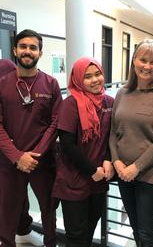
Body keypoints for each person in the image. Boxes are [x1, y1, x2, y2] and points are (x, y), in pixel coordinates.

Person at [0, 29, 62, 247]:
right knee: (6, 214)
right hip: (10, 163)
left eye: (33, 47)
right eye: (23, 46)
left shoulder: (51, 84)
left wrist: (35, 154)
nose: (28, 51)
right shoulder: (2, 84)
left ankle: (51, 243)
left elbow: (56, 123)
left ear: (40, 53)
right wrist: (17, 156)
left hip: (42, 163)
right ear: (15, 50)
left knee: (48, 210)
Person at [52, 57, 115, 247]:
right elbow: (67, 145)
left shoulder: (109, 102)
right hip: (74, 179)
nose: (95, 80)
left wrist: (108, 159)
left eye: (98, 74)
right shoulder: (70, 104)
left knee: (89, 231)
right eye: (87, 77)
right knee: (76, 236)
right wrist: (92, 171)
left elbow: (112, 137)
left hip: (98, 180)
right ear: (78, 79)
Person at [110, 39, 153, 247]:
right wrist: (116, 162)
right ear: (134, 61)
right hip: (124, 173)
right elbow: (113, 132)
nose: (147, 66)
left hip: (151, 176)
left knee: (147, 235)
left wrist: (136, 167)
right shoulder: (122, 93)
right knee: (136, 231)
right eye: (143, 60)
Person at [0, 59, 43, 246]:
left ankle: (23, 230)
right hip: (7, 150)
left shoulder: (6, 67)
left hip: (13, 150)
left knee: (19, 196)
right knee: (5, 202)